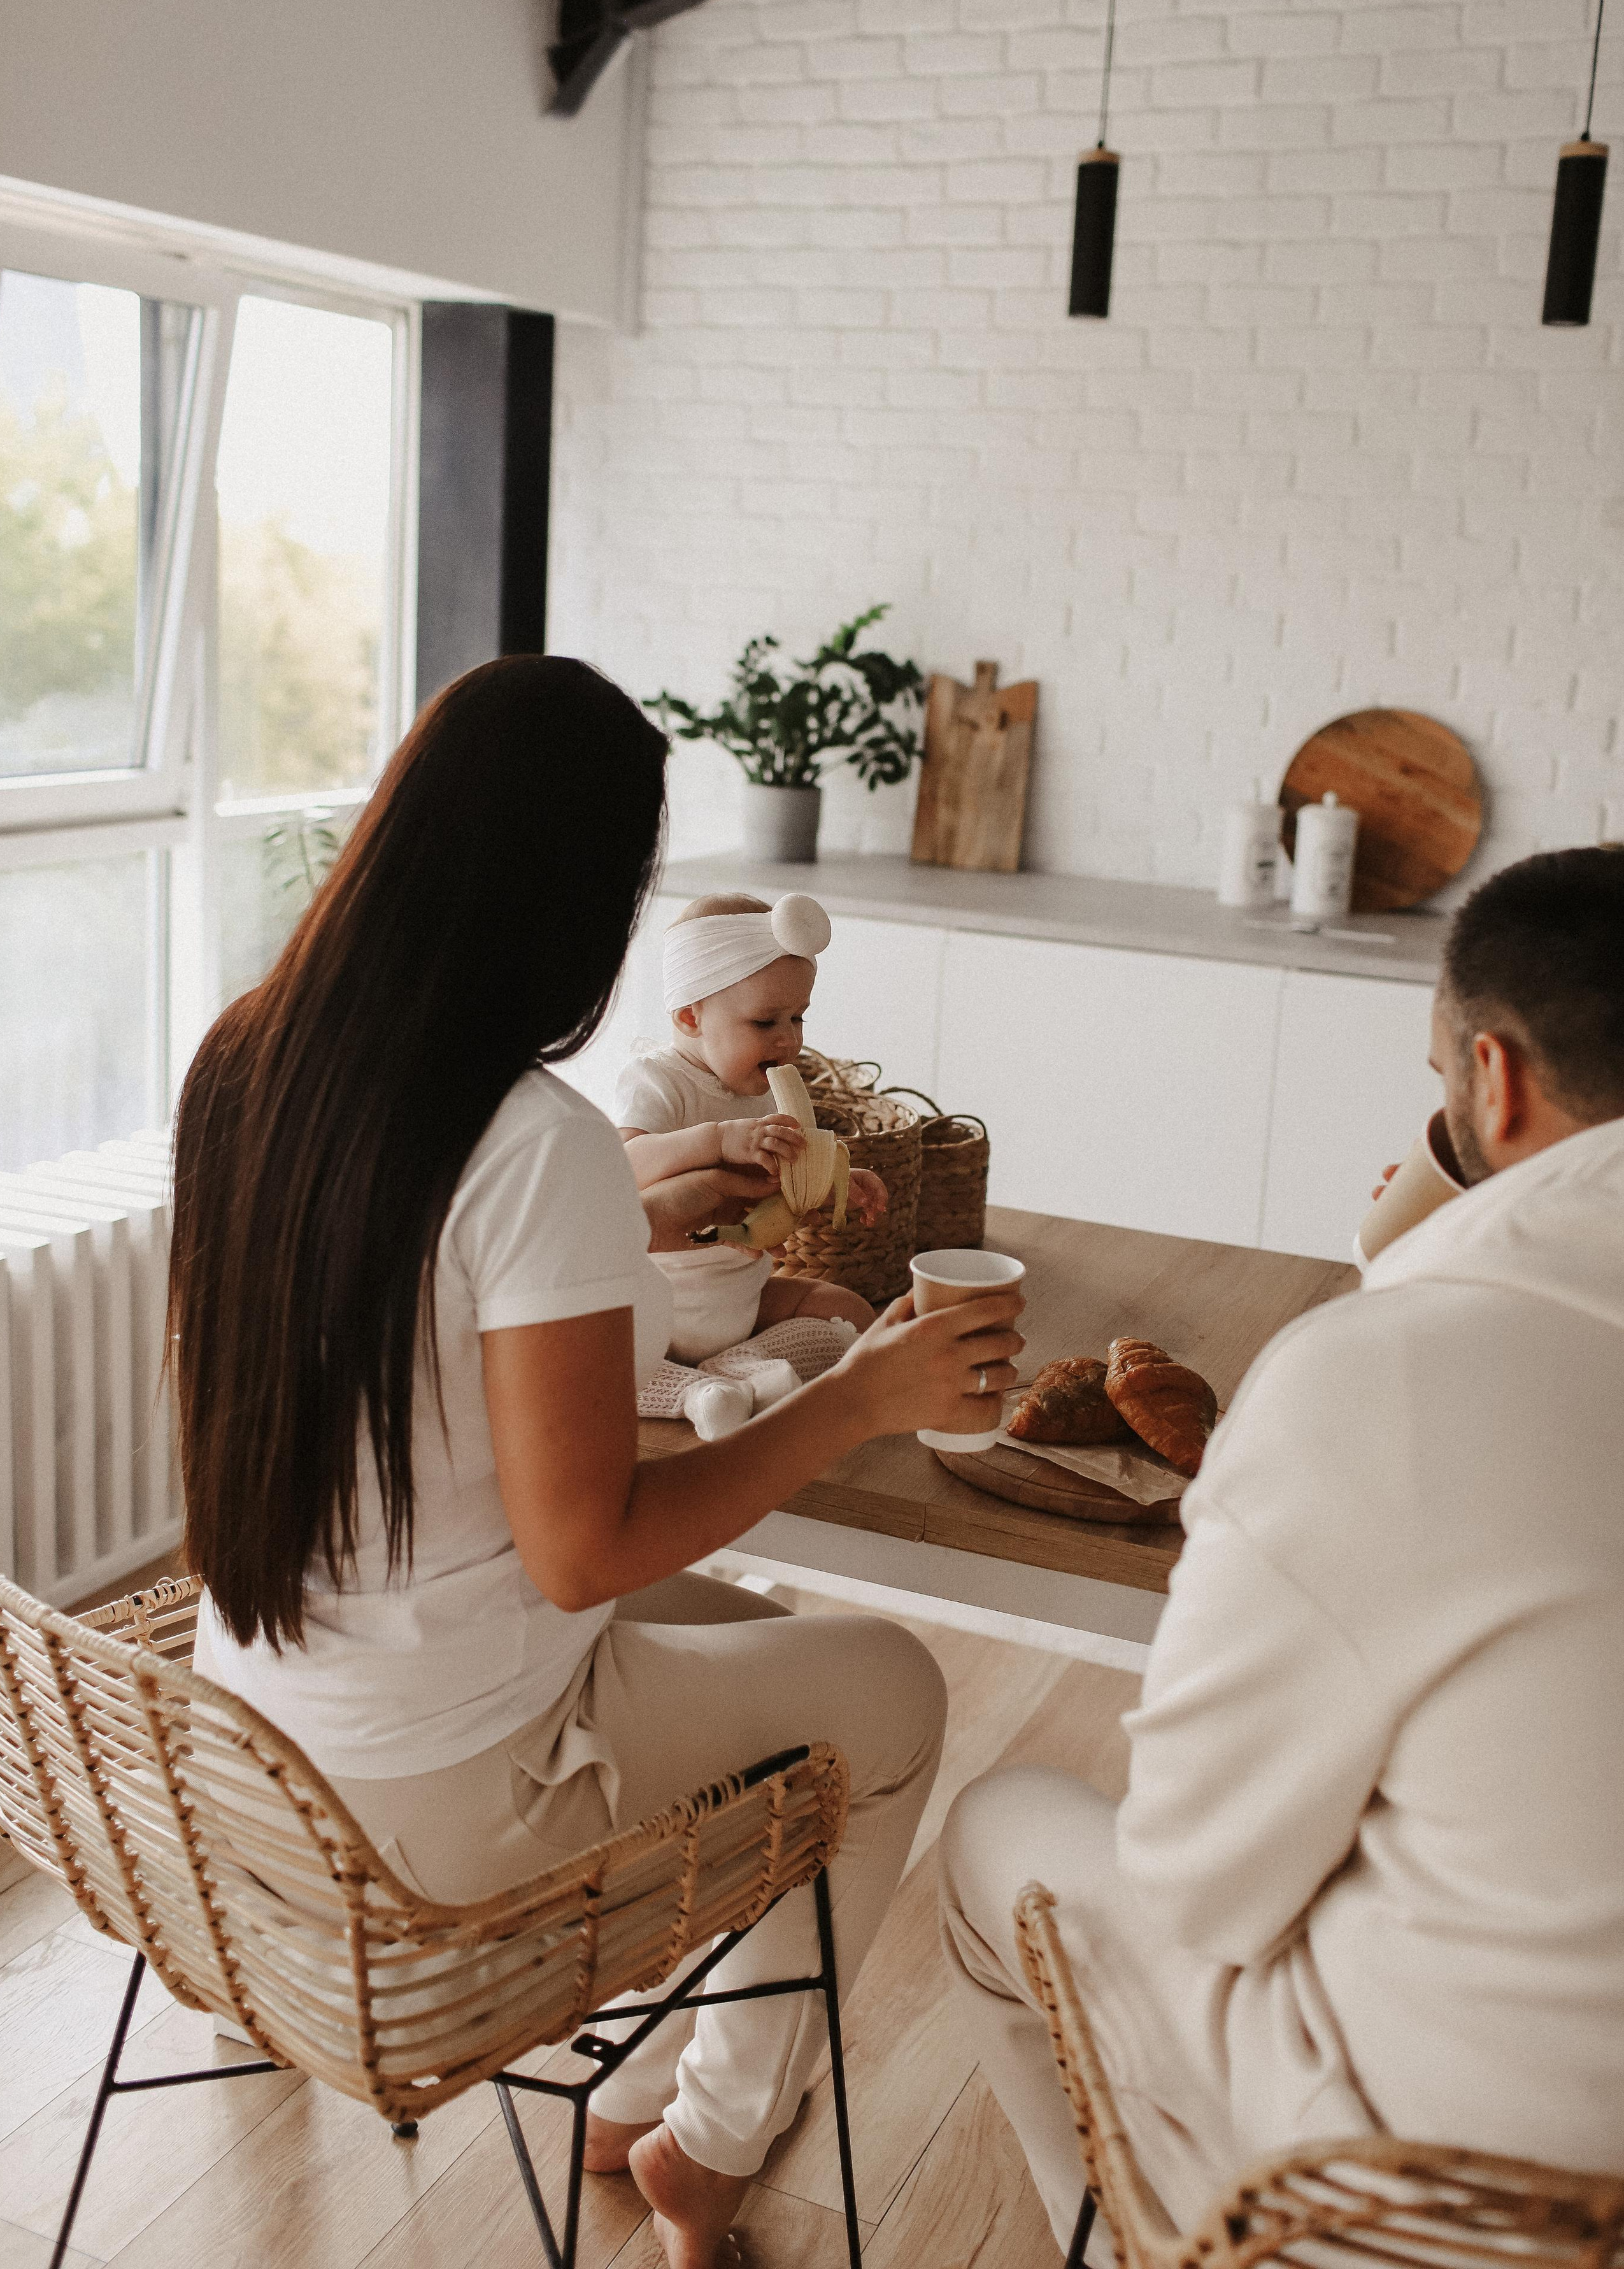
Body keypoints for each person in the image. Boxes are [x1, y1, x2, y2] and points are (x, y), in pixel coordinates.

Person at [172, 656, 1024, 2269]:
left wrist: (638, 1212)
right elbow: (585, 1548)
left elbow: (418, 1279)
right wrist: (861, 1394)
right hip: (439, 1790)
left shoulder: (252, 1058)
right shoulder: (534, 1135)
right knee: (892, 1693)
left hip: (257, 1727)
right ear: (574, 896)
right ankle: (706, 2140)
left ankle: (664, 2093)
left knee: (771, 1633)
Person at [939, 846, 1624, 2252]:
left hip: (1454, 2189)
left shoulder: (1376, 1380)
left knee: (994, 1829)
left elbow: (1199, 1879)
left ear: (1488, 1083)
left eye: (1438, 1074)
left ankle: (1136, 2236)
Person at [615, 891, 885, 1434]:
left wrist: (831, 1178)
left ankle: (733, 1371)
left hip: (743, 1294)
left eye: (798, 1017)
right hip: (656, 1309)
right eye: (766, 1022)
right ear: (691, 1016)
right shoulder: (658, 1080)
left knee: (853, 1314)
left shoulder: (760, 1087)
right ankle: (693, 1393)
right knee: (595, 1361)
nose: (789, 1040)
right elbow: (623, 1169)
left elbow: (776, 1186)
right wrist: (717, 1140)